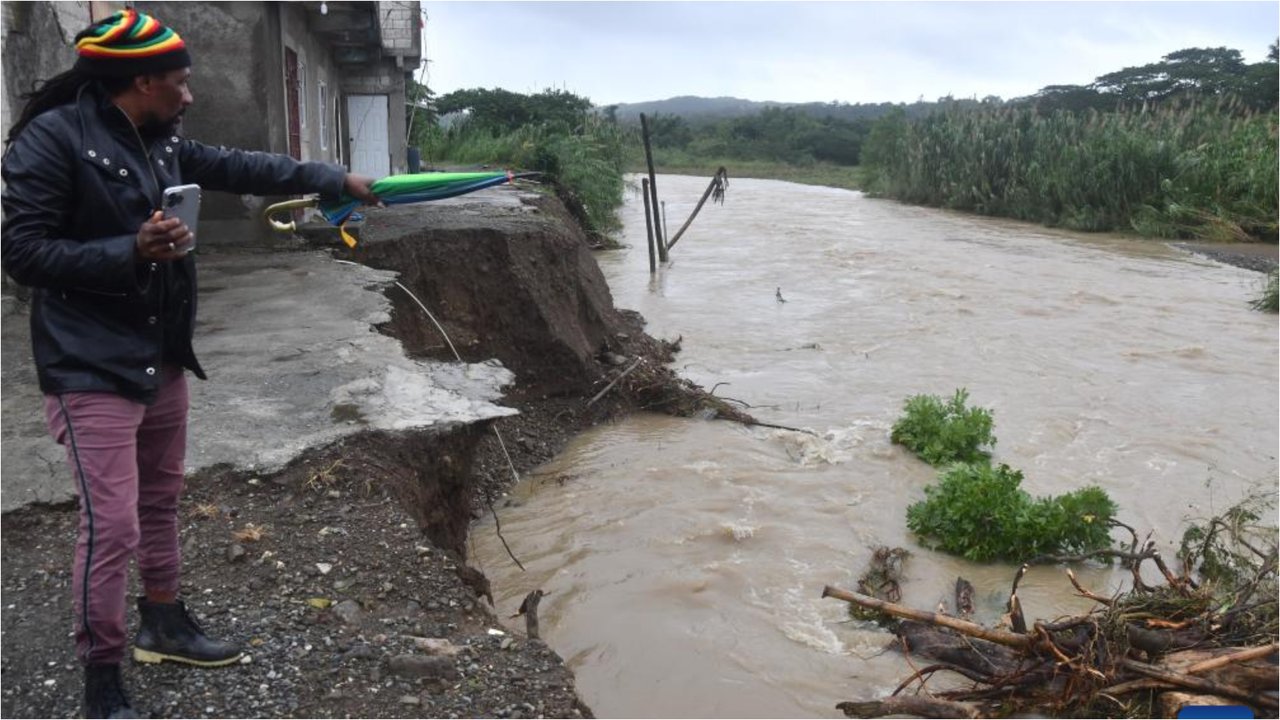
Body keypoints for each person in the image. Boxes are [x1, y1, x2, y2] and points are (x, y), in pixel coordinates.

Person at [1, 10, 380, 719]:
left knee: (160, 498)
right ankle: (101, 681)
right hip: (88, 362)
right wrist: (131, 250)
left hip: (159, 351)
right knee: (110, 526)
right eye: (180, 82)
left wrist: (333, 177)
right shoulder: (49, 142)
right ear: (141, 81)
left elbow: (242, 165)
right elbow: (22, 254)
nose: (191, 95)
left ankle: (164, 621)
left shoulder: (159, 138)